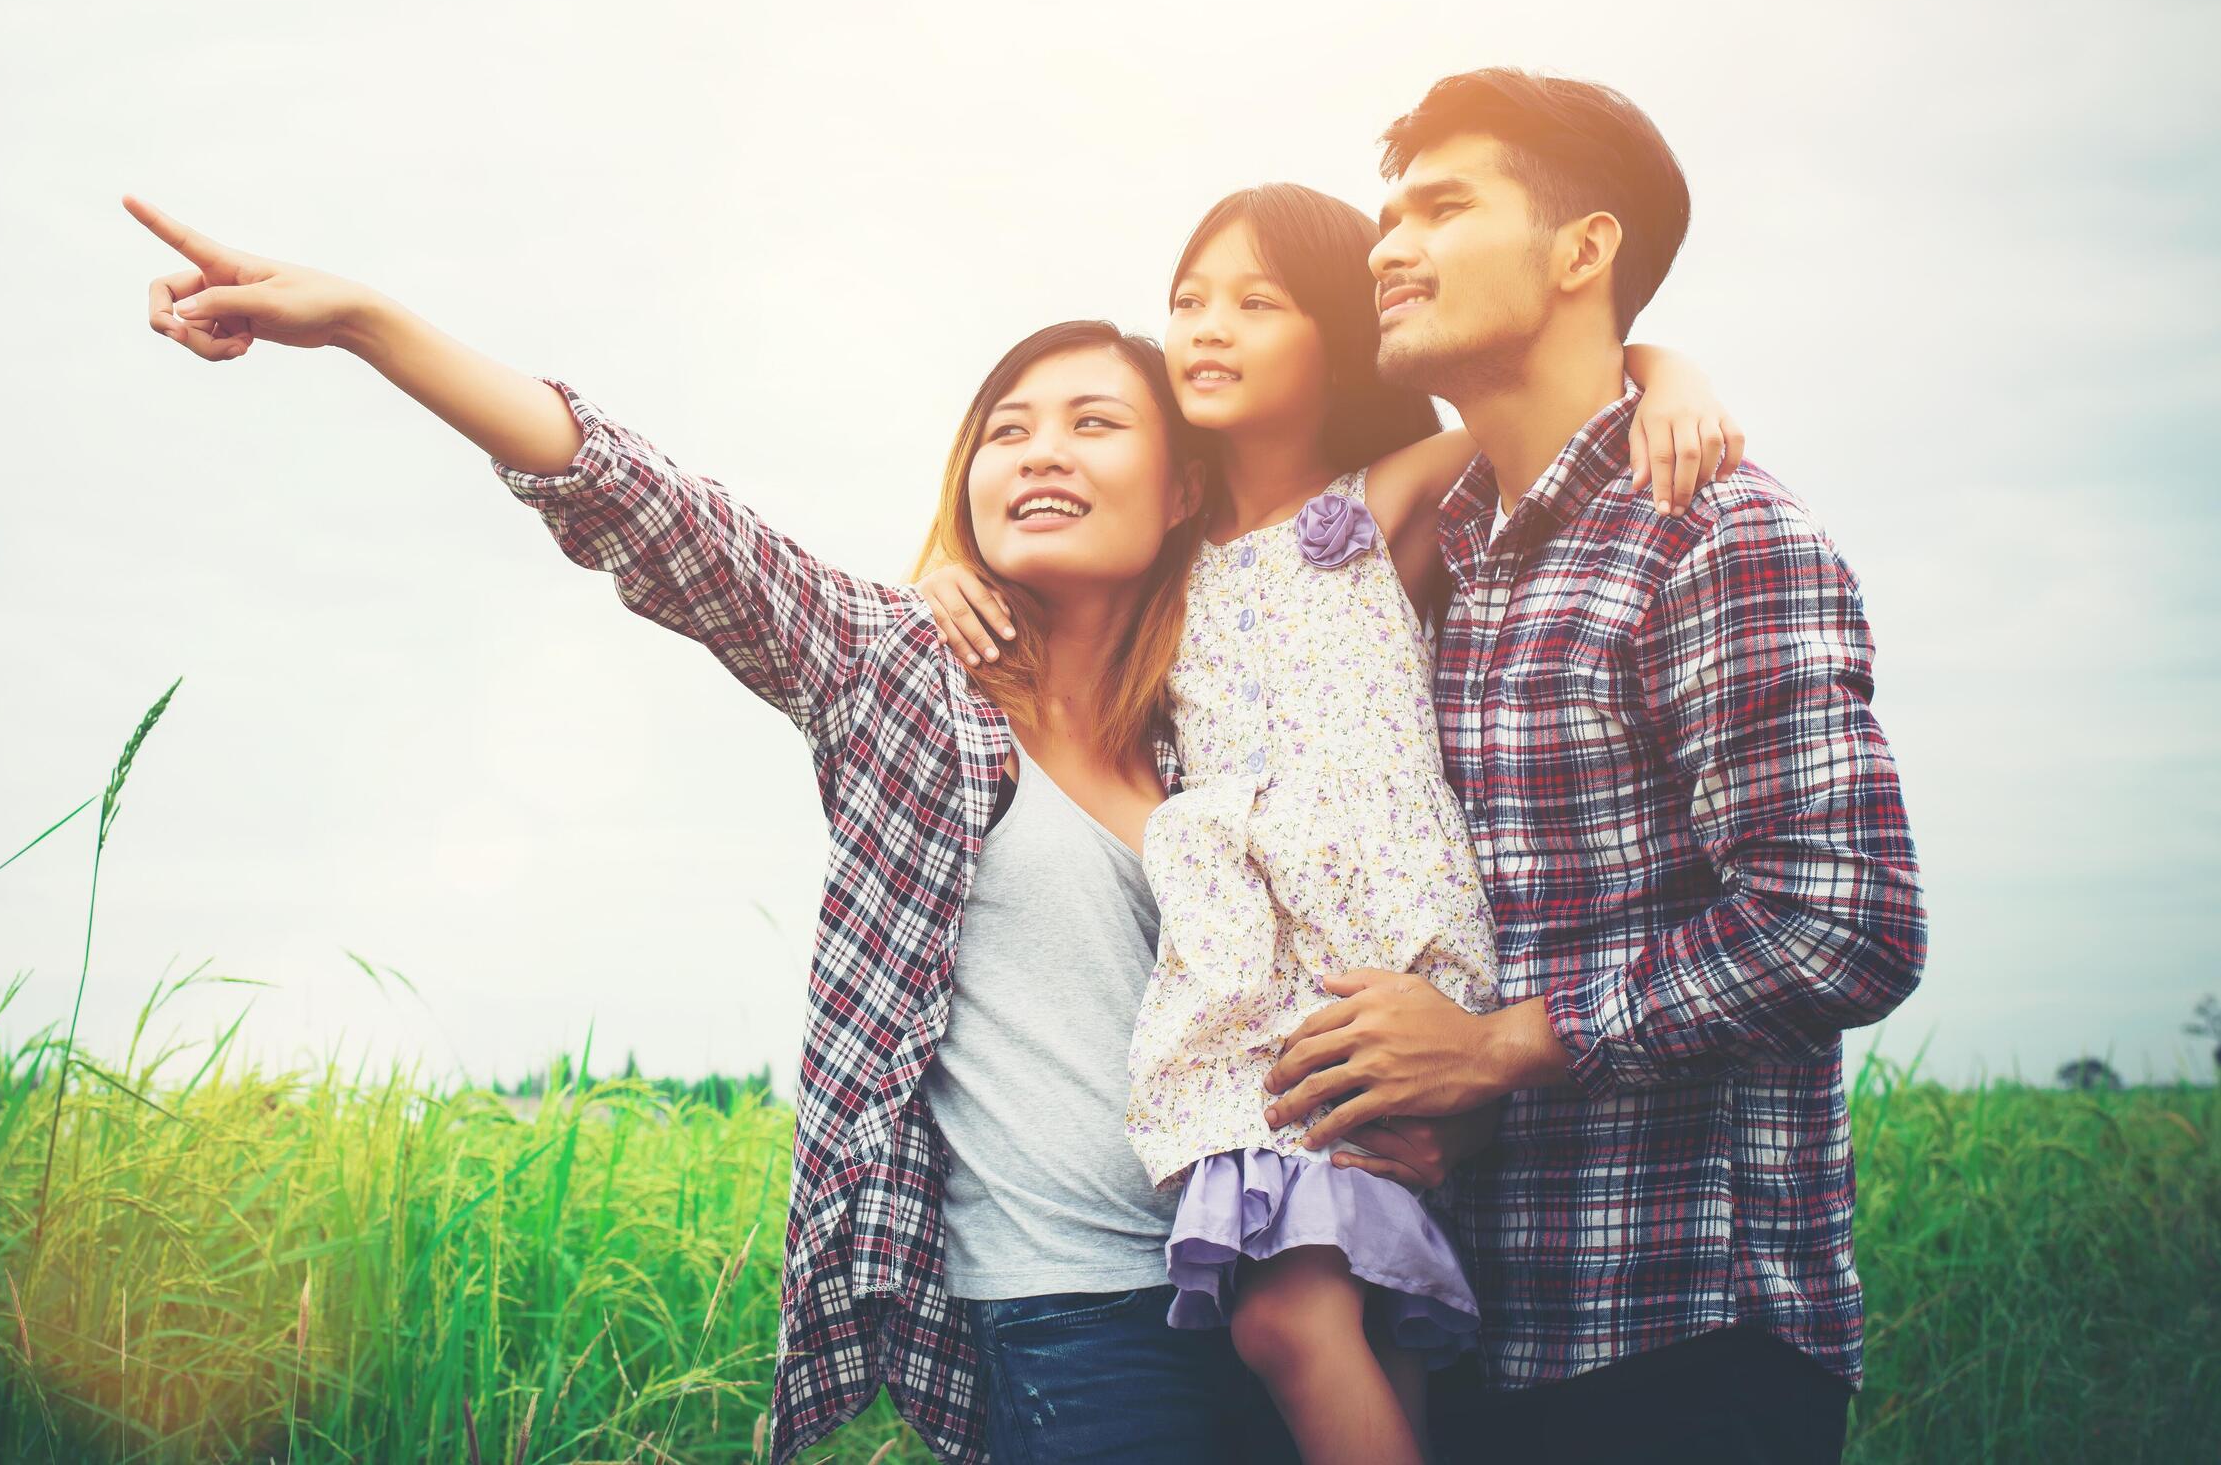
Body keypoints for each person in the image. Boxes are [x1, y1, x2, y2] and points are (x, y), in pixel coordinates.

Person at [120, 192, 1294, 1463]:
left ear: (1183, 489)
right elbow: (645, 507)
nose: (1041, 452)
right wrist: (363, 320)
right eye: (1006, 431)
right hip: (1072, 1317)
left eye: (1094, 423)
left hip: (1273, 1288)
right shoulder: (896, 671)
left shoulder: (1213, 730)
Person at [918, 184, 1740, 1465]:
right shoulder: (1159, 561)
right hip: (1254, 975)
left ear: (1345, 336)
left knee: (1287, 1321)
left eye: (1258, 301)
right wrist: (945, 576)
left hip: (1369, 948)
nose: (1207, 325)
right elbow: (1043, 584)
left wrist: (1665, 369)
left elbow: (1561, 401)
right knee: (1360, 1318)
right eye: (1188, 299)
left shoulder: (1376, 504)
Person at [1261, 70, 1928, 1464]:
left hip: (1684, 1335)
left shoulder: (1713, 534)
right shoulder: (1448, 556)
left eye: (1442, 207)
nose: (1388, 247)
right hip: (1474, 1318)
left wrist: (1504, 1046)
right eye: (1387, 215)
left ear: (1584, 251)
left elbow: (1842, 924)